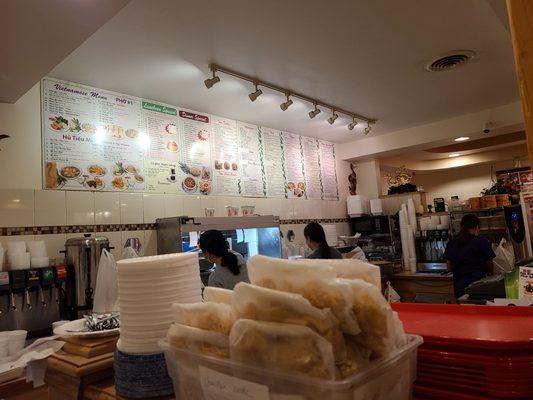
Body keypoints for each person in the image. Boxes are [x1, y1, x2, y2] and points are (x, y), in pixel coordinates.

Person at [444, 214, 496, 298]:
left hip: (459, 288)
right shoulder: (481, 242)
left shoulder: (451, 243)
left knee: (463, 310)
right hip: (479, 287)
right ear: (476, 227)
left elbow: (449, 267)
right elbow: (490, 265)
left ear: (461, 226)